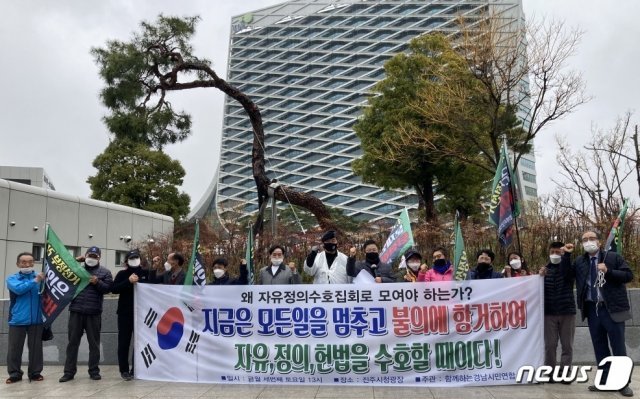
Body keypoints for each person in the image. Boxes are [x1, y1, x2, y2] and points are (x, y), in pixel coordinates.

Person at [565, 231, 634, 396]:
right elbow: (567, 276)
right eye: (584, 240)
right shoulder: (580, 261)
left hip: (612, 309)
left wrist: (608, 271)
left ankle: (622, 382)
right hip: (592, 309)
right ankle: (604, 381)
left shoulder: (613, 257)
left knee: (618, 347)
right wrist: (566, 257)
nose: (588, 242)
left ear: (599, 242)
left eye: (591, 239)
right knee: (600, 347)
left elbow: (628, 275)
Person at [59, 246, 113, 383]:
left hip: (94, 312)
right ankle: (69, 372)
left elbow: (108, 289)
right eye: (90, 255)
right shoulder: (77, 269)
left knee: (94, 344)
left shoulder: (105, 272)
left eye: (95, 256)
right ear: (85, 255)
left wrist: (97, 282)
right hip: (76, 311)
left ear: (99, 257)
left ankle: (94, 371)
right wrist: (76, 261)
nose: (92, 258)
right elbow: (62, 270)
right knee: (72, 343)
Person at [539, 242, 575, 383]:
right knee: (550, 345)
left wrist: (567, 255)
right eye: (552, 251)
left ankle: (565, 372)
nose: (555, 254)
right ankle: (550, 372)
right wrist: (540, 276)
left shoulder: (568, 268)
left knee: (567, 345)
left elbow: (569, 275)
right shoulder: (544, 270)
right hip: (549, 313)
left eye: (558, 252)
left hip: (567, 312)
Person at [6, 252, 45, 384]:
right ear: (18, 264)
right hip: (17, 319)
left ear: (34, 263)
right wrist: (35, 281)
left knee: (36, 348)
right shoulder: (12, 278)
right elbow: (19, 290)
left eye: (30, 261)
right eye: (23, 262)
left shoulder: (41, 277)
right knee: (14, 348)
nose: (27, 264)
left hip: (36, 319)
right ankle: (14, 374)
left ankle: (35, 373)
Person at [112, 249, 150, 381]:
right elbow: (113, 289)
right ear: (126, 261)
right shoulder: (122, 274)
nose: (134, 260)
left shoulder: (146, 273)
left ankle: (136, 368)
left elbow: (156, 286)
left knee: (139, 343)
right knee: (124, 342)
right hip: (124, 313)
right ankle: (124, 370)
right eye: (131, 258)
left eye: (136, 257)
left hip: (142, 313)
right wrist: (128, 281)